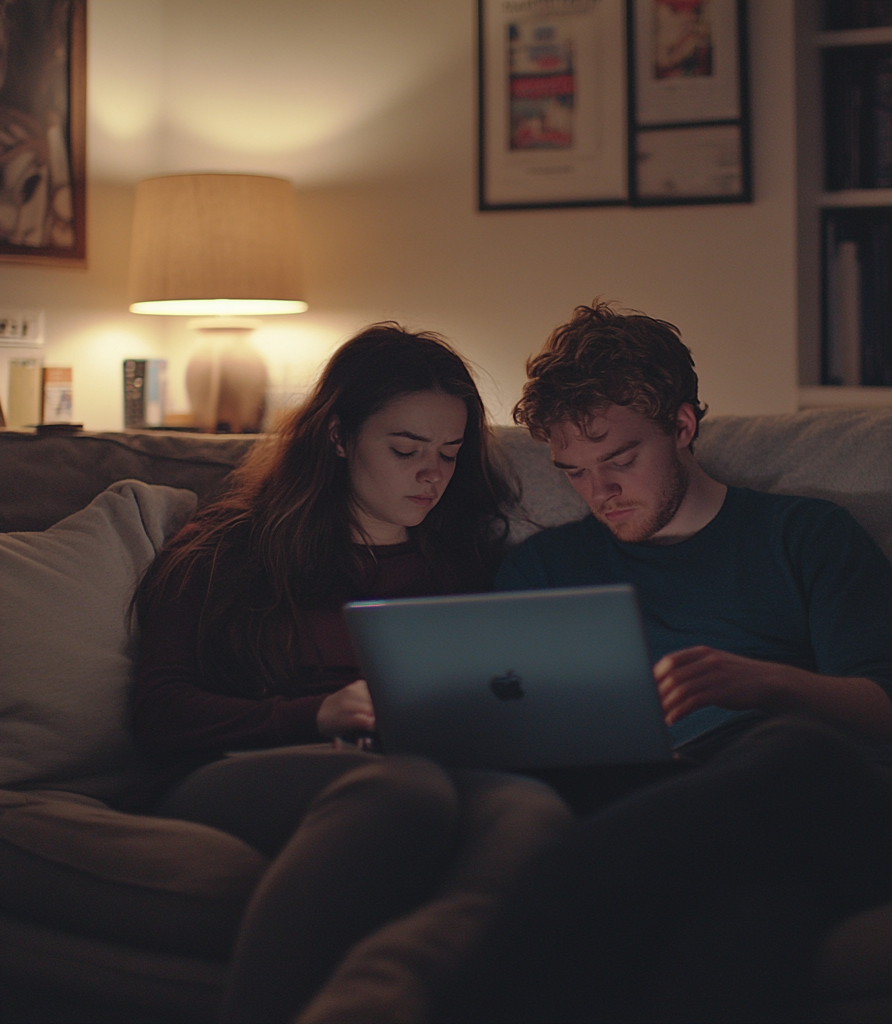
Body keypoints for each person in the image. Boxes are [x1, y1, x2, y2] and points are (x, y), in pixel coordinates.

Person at [443, 303, 892, 1023]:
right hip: (668, 817)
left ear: (682, 427)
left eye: (619, 460)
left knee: (793, 747)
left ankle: (560, 884)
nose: (599, 492)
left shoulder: (804, 535)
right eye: (574, 473)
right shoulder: (544, 570)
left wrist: (766, 684)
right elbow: (505, 732)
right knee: (741, 935)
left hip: (822, 794)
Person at [130, 324, 571, 1024]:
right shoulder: (229, 548)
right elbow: (158, 711)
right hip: (237, 766)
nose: (432, 473)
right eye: (405, 450)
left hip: (414, 764)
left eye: (450, 454)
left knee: (531, 809)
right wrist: (315, 715)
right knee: (404, 787)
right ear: (337, 438)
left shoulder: (457, 561)